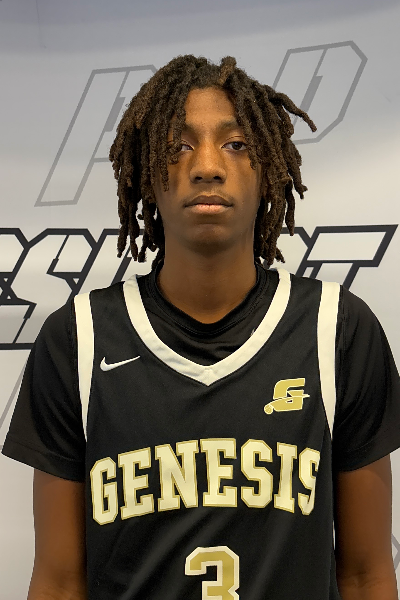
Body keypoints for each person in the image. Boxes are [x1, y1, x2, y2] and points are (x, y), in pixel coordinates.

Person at [2, 54, 400, 600]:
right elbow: (58, 581)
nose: (207, 165)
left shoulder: (338, 330)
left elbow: (366, 574)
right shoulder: (77, 339)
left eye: (235, 144)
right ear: (146, 174)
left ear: (269, 170)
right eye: (178, 145)